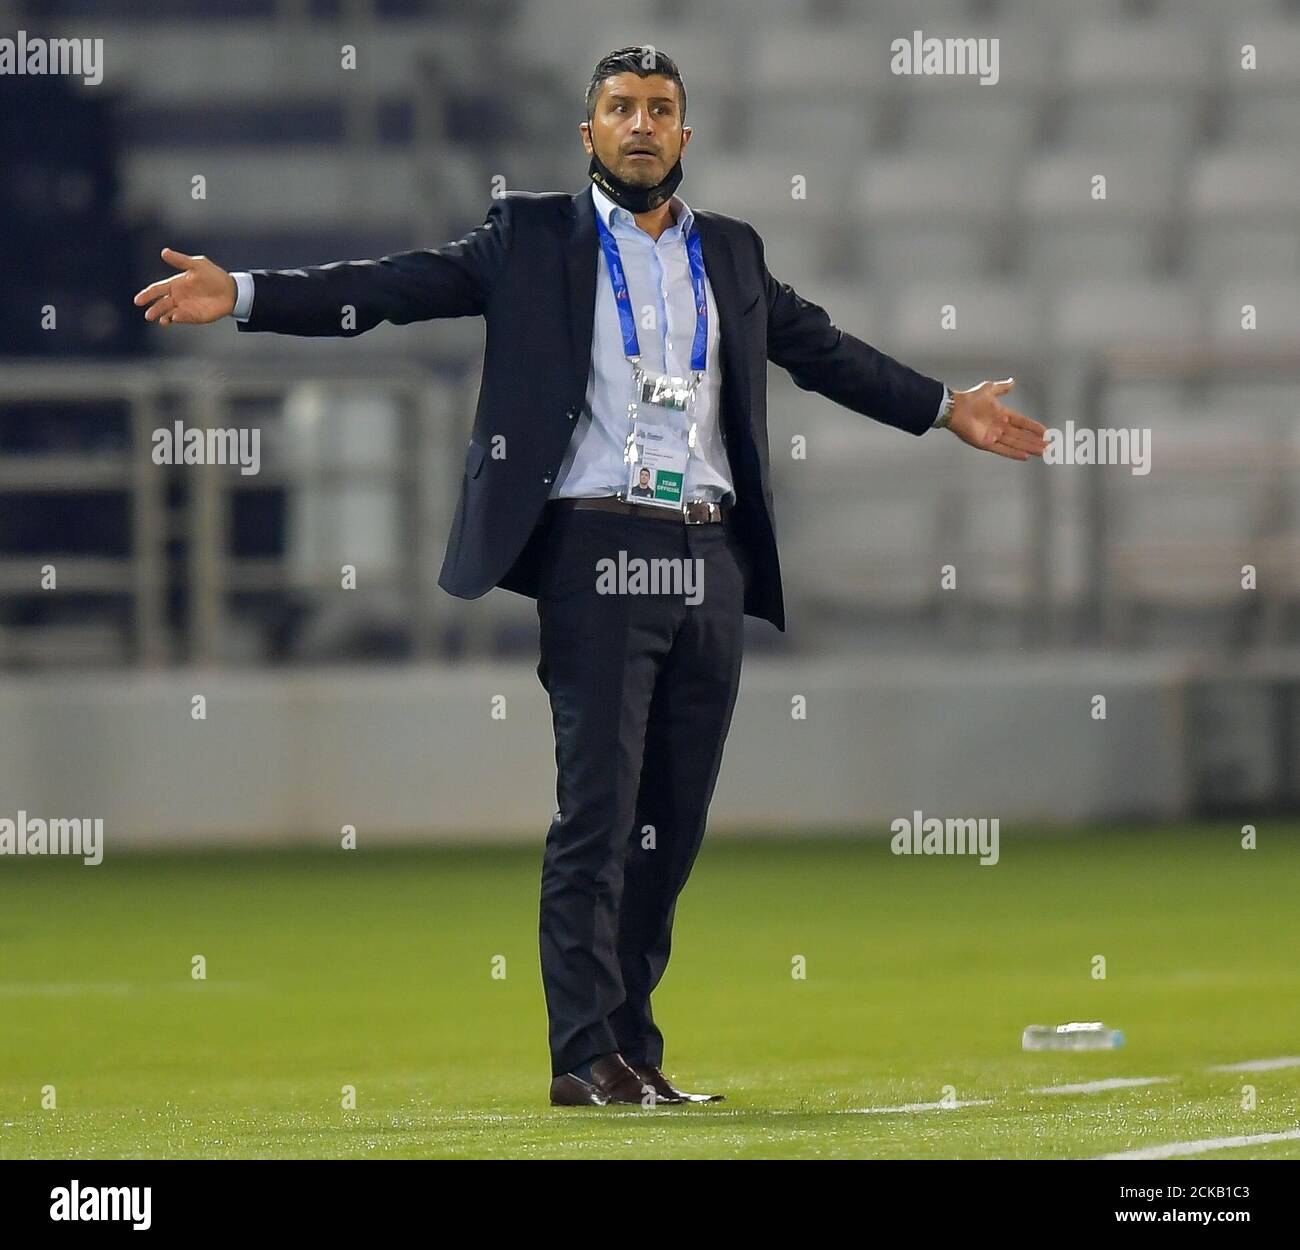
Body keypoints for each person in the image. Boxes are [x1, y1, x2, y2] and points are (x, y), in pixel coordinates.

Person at [133, 45, 1048, 1108]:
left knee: (673, 819)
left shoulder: (734, 255)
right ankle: (582, 1054)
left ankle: (632, 1049)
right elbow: (386, 288)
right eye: (620, 108)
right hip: (594, 546)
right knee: (599, 814)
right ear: (589, 134)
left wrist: (946, 408)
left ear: (685, 135)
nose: (641, 124)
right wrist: (241, 292)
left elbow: (826, 351)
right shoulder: (528, 238)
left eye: (660, 108)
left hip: (709, 550)